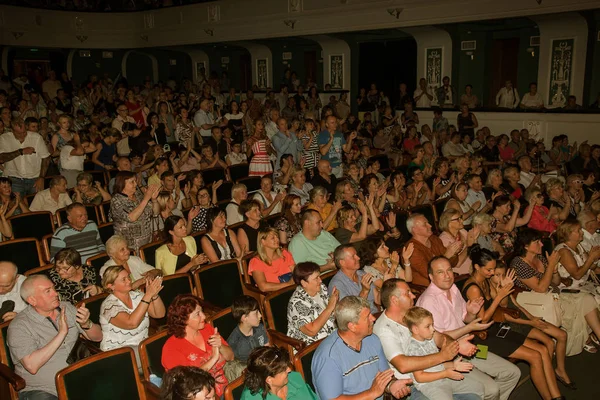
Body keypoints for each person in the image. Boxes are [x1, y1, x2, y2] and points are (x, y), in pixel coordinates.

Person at [463, 246, 566, 400]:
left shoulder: (485, 282)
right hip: (482, 337)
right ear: (477, 267)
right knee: (535, 356)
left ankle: (556, 395)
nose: (491, 273)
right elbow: (482, 320)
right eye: (489, 270)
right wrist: (499, 296)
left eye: (493, 270)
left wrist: (504, 289)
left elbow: (503, 307)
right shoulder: (473, 288)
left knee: (543, 350)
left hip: (496, 328)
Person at [416, 256, 521, 400]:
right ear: (431, 276)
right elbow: (438, 339)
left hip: (470, 347)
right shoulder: (429, 300)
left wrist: (471, 313)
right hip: (450, 357)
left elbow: (465, 319)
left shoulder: (452, 288)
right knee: (491, 389)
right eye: (440, 272)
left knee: (512, 372)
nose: (447, 276)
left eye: (449, 270)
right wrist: (469, 328)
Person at [7, 275, 102, 399]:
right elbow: (32, 366)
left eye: (53, 288)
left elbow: (98, 337)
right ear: (32, 300)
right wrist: (61, 333)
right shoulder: (19, 326)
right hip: (44, 389)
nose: (55, 293)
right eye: (48, 291)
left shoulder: (66, 307)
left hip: (80, 377)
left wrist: (86, 324)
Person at [510, 228, 600, 355]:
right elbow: (540, 289)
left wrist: (555, 271)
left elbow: (555, 282)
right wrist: (551, 265)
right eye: (537, 242)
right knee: (580, 303)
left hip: (553, 295)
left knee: (587, 299)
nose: (541, 244)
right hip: (536, 303)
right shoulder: (519, 264)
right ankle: (580, 340)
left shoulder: (539, 257)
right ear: (525, 246)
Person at [311, 296, 413, 400]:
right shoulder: (328, 357)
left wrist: (392, 385)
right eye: (367, 317)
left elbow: (384, 378)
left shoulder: (372, 340)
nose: (373, 318)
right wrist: (371, 394)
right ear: (352, 326)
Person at [162, 294, 234, 398]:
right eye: (197, 314)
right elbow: (187, 383)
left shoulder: (207, 329)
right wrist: (214, 358)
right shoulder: (171, 348)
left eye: (202, 311)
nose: (204, 316)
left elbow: (231, 357)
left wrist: (220, 346)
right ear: (183, 320)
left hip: (225, 388)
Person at [404, 306, 482, 400]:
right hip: (429, 385)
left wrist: (453, 365)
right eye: (428, 326)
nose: (433, 329)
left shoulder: (429, 339)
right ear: (415, 329)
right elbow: (419, 377)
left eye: (432, 325)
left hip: (443, 377)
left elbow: (436, 365)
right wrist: (445, 374)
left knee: (478, 387)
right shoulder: (413, 348)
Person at [100, 266, 165, 362]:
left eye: (128, 277)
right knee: (160, 357)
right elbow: (131, 323)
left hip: (141, 346)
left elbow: (159, 314)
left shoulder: (137, 296)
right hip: (118, 352)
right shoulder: (109, 306)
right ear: (111, 286)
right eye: (124, 279)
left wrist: (154, 295)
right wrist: (148, 295)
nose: (129, 281)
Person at [405, 213, 464, 286]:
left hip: (445, 280)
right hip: (428, 287)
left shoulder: (434, 239)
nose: (430, 226)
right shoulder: (412, 249)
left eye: (428, 223)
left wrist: (454, 253)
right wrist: (446, 257)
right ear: (415, 230)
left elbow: (453, 264)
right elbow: (429, 273)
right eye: (425, 224)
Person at [241, 346, 318, 400]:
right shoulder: (251, 397)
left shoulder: (294, 379)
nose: (289, 370)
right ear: (269, 380)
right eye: (284, 369)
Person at [110, 171, 160, 252]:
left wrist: (154, 200)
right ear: (122, 184)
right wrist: (146, 197)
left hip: (147, 241)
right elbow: (131, 218)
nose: (136, 184)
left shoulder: (137, 194)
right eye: (132, 182)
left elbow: (156, 213)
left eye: (135, 181)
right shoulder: (116, 200)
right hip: (129, 246)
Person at [0, 118, 50, 197]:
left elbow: (46, 158)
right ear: (12, 131)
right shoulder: (4, 138)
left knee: (37, 206)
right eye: (19, 133)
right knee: (17, 207)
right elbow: (1, 158)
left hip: (35, 179)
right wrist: (20, 152)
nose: (23, 135)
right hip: (14, 179)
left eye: (24, 132)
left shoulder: (36, 137)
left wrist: (41, 177)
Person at [328, 244, 380, 314]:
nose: (358, 258)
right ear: (342, 263)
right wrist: (364, 291)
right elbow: (351, 313)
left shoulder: (361, 273)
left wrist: (387, 283)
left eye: (357, 255)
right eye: (353, 256)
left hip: (375, 315)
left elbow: (378, 299)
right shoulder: (337, 284)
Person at [248, 227, 295, 292]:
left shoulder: (284, 254)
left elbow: (296, 272)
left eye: (277, 237)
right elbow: (263, 287)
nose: (277, 240)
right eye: (273, 238)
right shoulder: (256, 261)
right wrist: (288, 284)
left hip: (293, 290)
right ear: (263, 242)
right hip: (273, 295)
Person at [227, 295, 270, 364]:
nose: (260, 315)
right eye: (256, 313)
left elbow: (267, 349)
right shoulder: (234, 342)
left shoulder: (260, 328)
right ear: (244, 318)